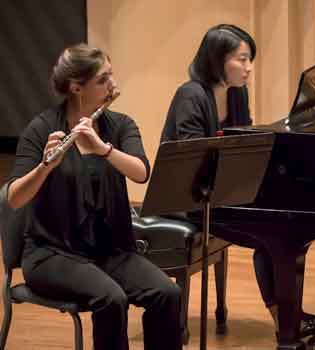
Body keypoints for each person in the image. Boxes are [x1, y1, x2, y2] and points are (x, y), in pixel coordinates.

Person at [7, 43, 182, 350]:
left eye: (111, 75)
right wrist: (45, 168)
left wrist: (104, 149)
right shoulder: (42, 128)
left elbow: (141, 171)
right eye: (103, 79)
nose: (113, 85)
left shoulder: (121, 126)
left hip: (109, 250)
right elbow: (14, 199)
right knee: (111, 299)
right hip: (52, 253)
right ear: (77, 87)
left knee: (167, 294)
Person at [160, 24, 279, 331]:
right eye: (242, 59)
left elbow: (243, 146)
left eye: (250, 59)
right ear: (217, 59)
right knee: (273, 236)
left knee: (280, 225)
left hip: (221, 194)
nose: (249, 67)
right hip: (187, 199)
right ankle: (284, 321)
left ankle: (287, 317)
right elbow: (193, 161)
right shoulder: (191, 96)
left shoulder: (237, 94)